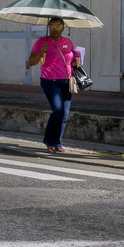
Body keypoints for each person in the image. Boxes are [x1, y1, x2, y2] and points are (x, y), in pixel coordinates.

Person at [26, 16, 82, 153]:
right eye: (51, 26)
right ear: (48, 27)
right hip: (50, 81)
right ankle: (49, 140)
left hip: (67, 81)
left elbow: (71, 61)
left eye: (58, 27)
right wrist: (41, 52)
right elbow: (31, 62)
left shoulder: (68, 42)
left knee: (64, 114)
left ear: (63, 28)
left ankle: (57, 142)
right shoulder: (41, 42)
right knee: (58, 110)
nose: (54, 30)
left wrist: (76, 61)